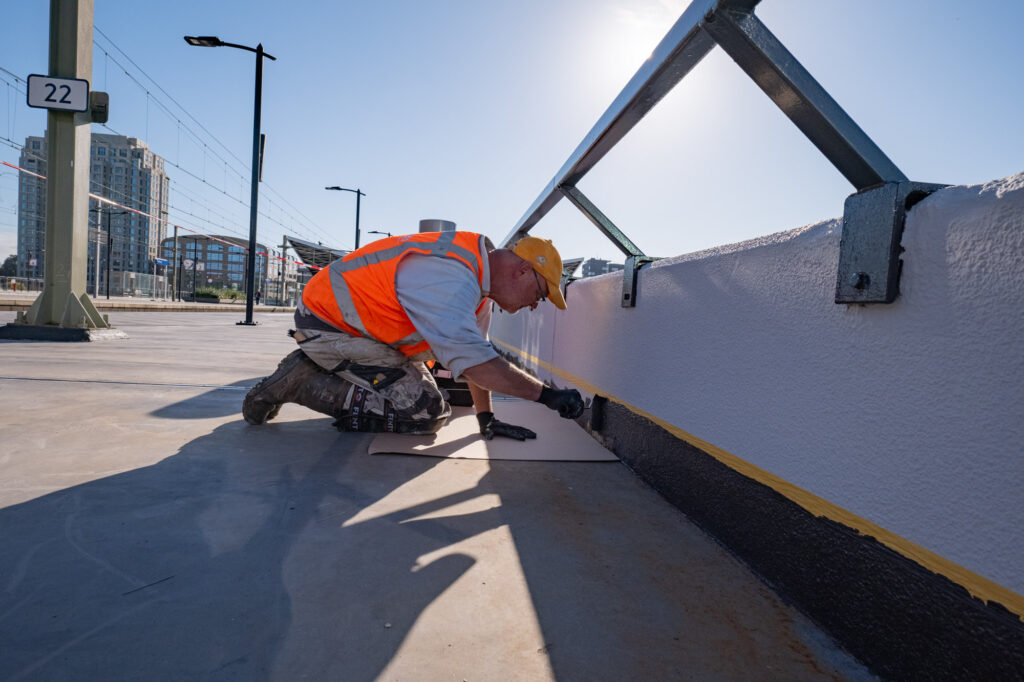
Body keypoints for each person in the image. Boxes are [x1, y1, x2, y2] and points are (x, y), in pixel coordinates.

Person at [242, 231, 584, 439]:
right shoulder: (452, 275)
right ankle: (302, 380)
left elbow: (477, 357)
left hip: (364, 335)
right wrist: (548, 397)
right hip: (329, 326)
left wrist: (486, 419)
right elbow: (477, 364)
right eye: (540, 295)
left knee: (430, 405)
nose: (535, 305)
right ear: (523, 270)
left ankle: (318, 370)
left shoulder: (479, 291)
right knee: (425, 414)